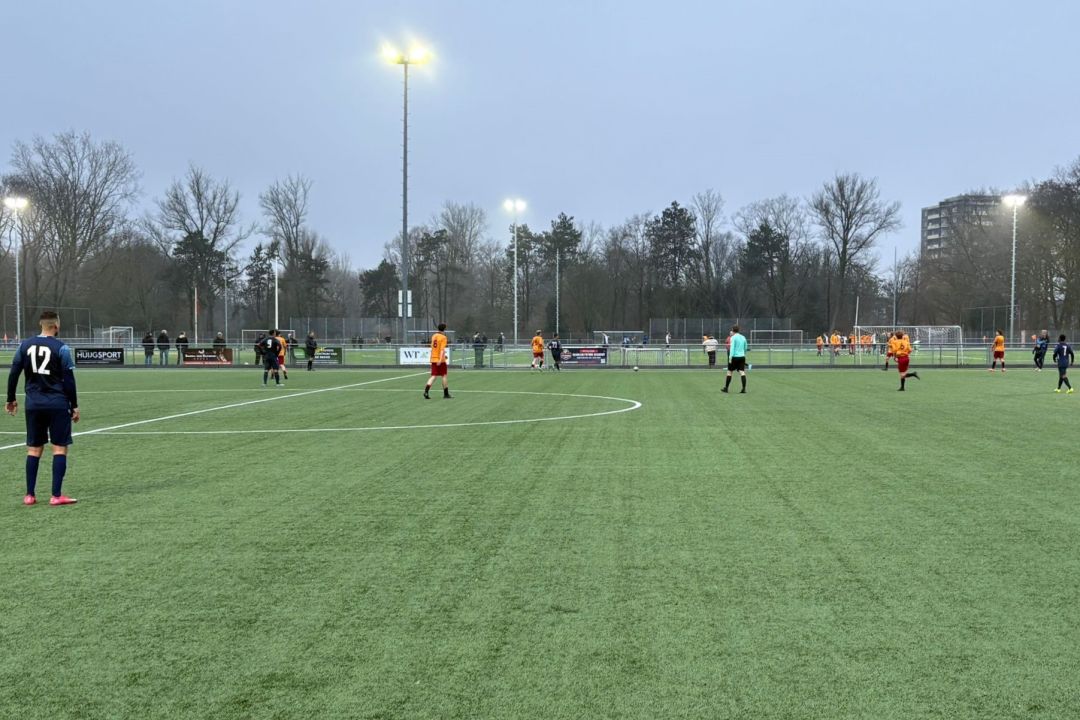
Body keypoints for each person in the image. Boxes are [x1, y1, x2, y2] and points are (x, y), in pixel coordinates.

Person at [6, 311, 80, 506]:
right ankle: (56, 495)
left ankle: (29, 495)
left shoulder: (24, 345)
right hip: (57, 403)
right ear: (56, 325)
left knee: (34, 449)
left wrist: (11, 398)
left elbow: (14, 373)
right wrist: (74, 405)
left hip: (33, 404)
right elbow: (69, 380)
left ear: (41, 325)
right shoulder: (62, 348)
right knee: (59, 448)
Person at [423, 323, 451, 399]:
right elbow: (442, 349)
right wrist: (440, 359)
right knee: (444, 375)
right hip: (440, 360)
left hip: (433, 358)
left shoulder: (434, 336)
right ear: (444, 329)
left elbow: (433, 347)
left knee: (433, 376)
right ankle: (446, 394)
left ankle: (426, 391)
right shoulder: (443, 337)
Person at [721, 325, 749, 394]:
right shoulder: (743, 337)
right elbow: (746, 347)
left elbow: (732, 348)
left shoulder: (733, 337)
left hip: (734, 357)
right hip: (742, 357)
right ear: (738, 330)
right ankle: (743, 389)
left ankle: (726, 388)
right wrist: (743, 354)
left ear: (733, 330)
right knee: (742, 372)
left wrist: (730, 357)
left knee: (729, 372)